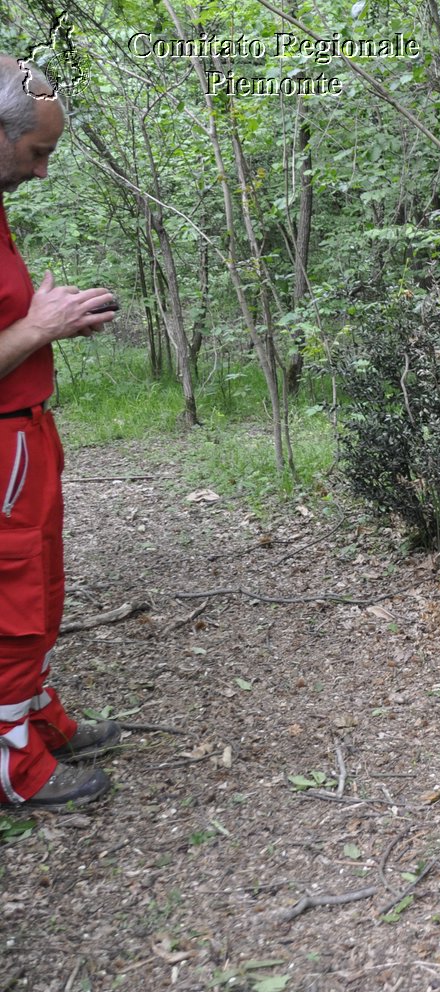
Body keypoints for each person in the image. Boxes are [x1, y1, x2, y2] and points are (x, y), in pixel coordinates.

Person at [0, 56, 122, 810]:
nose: (43, 172)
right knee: (10, 598)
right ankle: (14, 762)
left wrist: (52, 319)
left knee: (42, 586)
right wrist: (37, 326)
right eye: (36, 153)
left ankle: (35, 715)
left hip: (27, 432)